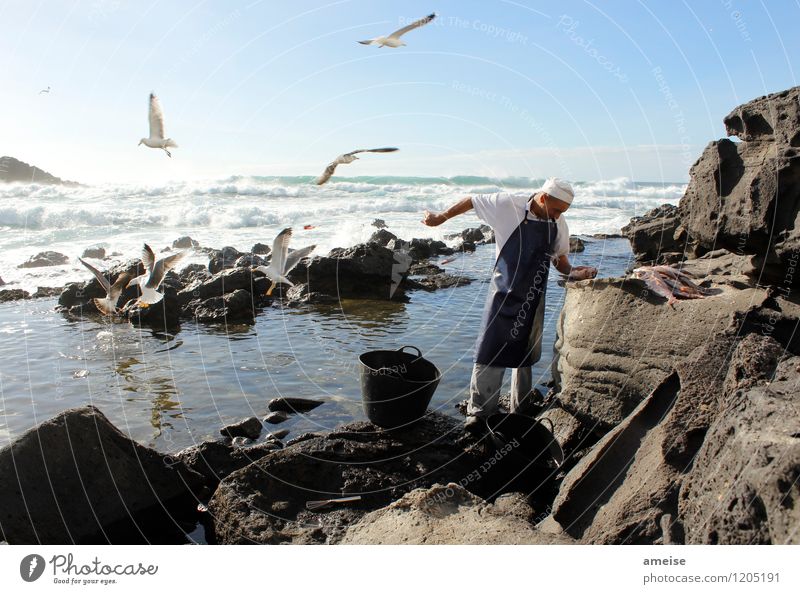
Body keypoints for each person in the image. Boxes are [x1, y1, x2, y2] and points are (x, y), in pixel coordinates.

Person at [421, 178, 597, 434]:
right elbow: (472, 199)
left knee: (525, 353)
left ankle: (520, 411)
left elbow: (559, 260)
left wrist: (574, 273)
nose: (559, 216)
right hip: (503, 292)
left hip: (533, 295)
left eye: (563, 212)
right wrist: (442, 217)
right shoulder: (507, 205)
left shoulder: (558, 222)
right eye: (557, 210)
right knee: (489, 349)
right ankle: (480, 414)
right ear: (543, 198)